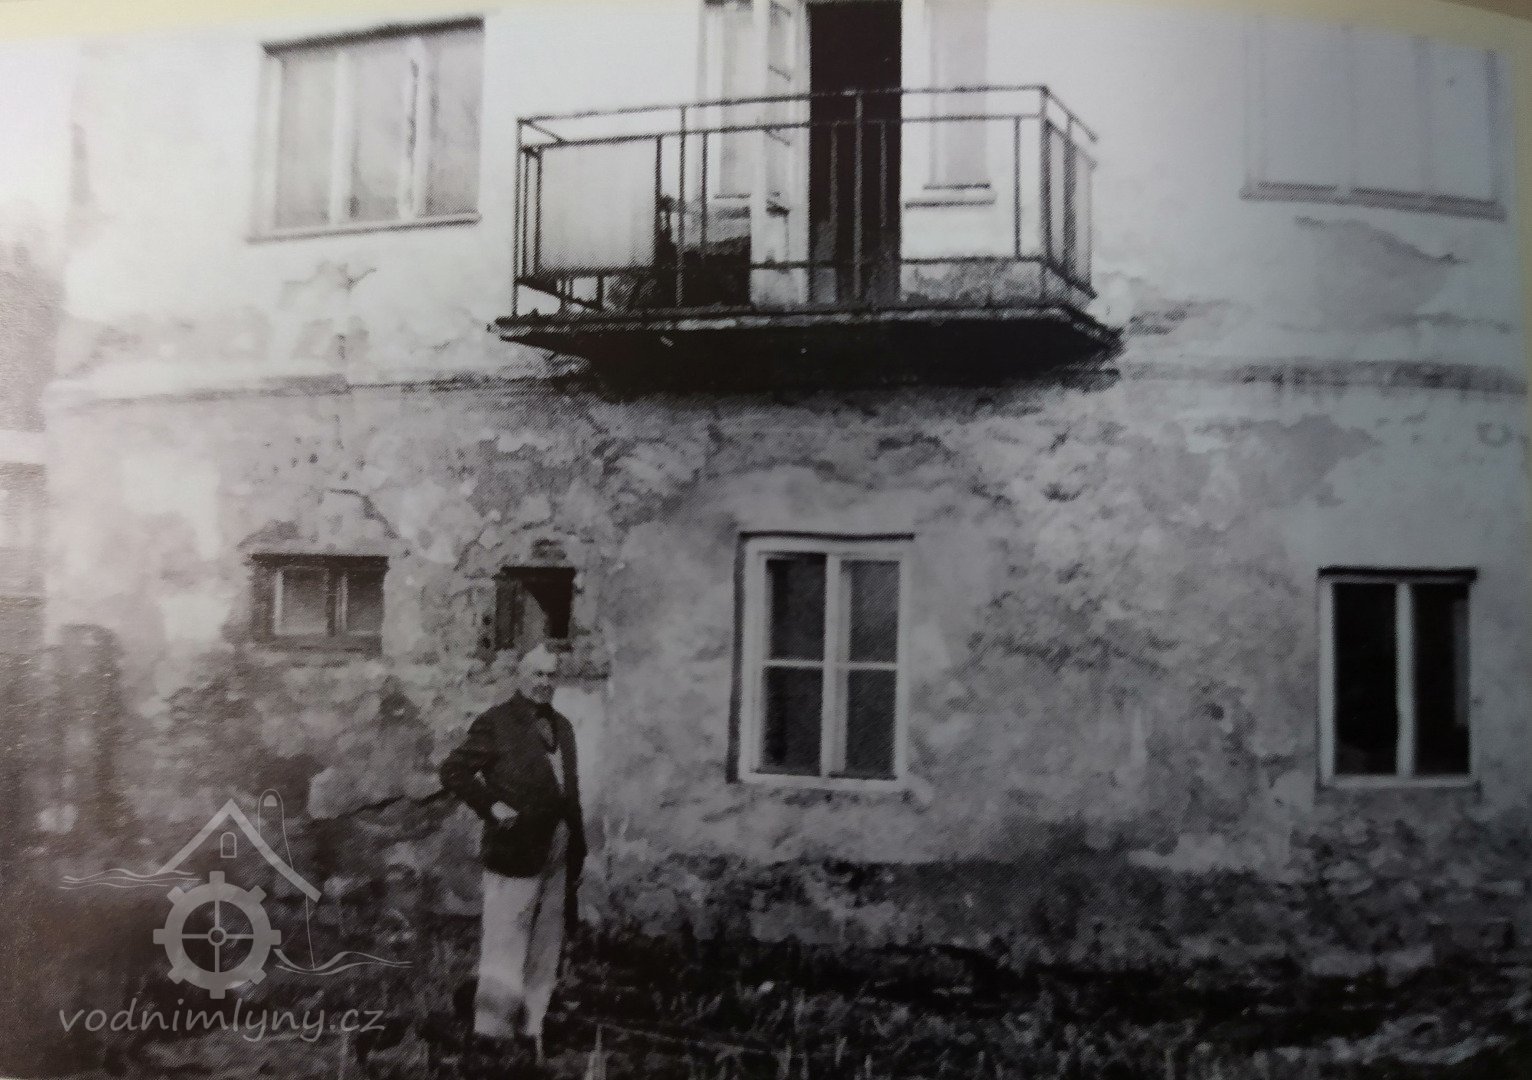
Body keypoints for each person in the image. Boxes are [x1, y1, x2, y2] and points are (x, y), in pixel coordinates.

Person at [439, 644, 586, 1063]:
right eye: (537, 674)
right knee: (505, 940)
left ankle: (531, 1030)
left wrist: (577, 845)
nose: (544, 682)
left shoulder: (563, 726)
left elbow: (569, 790)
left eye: (551, 675)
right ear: (521, 676)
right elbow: (452, 770)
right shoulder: (496, 722)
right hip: (514, 847)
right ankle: (491, 1034)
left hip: (558, 845)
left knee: (547, 943)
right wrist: (491, 806)